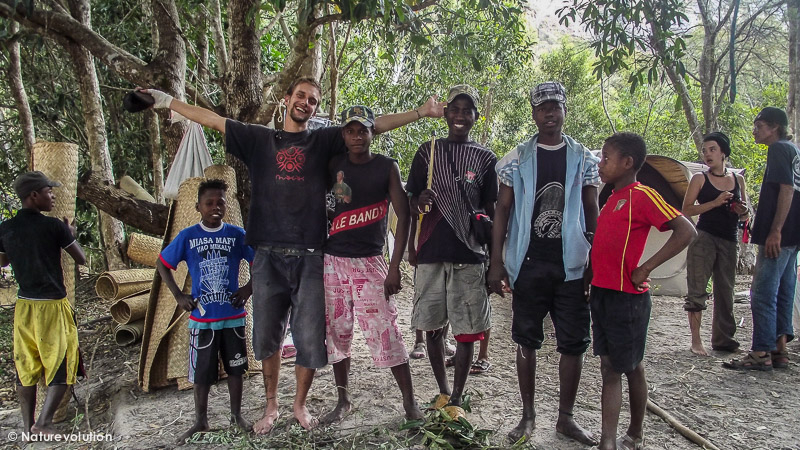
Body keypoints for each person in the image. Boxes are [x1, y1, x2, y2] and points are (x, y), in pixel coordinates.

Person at [144, 78, 443, 432]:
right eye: (300, 96)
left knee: (310, 336)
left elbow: (373, 123)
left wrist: (421, 113)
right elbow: (211, 119)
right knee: (269, 337)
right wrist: (166, 101)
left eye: (313, 100)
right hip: (267, 254)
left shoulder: (322, 141)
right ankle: (271, 406)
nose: (305, 103)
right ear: (286, 99)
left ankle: (300, 406)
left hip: (312, 255)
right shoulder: (258, 139)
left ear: (316, 109)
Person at [489, 81, 598, 445]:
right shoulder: (518, 158)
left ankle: (565, 418)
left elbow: (590, 207)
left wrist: (594, 255)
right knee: (526, 339)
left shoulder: (583, 158)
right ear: (533, 114)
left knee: (573, 342)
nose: (549, 113)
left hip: (571, 266)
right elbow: (502, 208)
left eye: (555, 106)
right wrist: (498, 261)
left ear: (565, 110)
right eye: (542, 108)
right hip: (528, 263)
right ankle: (528, 415)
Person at [591, 133, 695, 450]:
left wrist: (646, 267)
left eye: (606, 157)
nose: (601, 162)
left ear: (627, 163)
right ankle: (615, 437)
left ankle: (623, 437)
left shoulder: (643, 196)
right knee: (612, 365)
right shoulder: (611, 197)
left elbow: (686, 230)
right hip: (602, 293)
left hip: (628, 297)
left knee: (627, 366)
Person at [321, 105, 423, 424]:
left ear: (372, 133)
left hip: (370, 263)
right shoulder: (332, 164)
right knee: (337, 334)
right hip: (333, 261)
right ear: (343, 134)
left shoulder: (386, 167)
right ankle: (343, 400)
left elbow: (404, 215)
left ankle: (409, 404)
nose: (356, 136)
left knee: (386, 331)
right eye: (350, 131)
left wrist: (394, 267)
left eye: (363, 130)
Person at [406, 84, 496, 414]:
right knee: (432, 326)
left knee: (468, 329)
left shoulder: (486, 159)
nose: (460, 115)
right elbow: (409, 199)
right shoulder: (426, 151)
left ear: (475, 116)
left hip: (470, 254)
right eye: (454, 109)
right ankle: (442, 391)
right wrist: (420, 202)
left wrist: (494, 256)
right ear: (445, 113)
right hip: (431, 250)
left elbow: (491, 207)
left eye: (467, 110)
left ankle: (458, 396)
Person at [156, 179, 255, 443]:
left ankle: (236, 416)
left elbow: (260, 260)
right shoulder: (188, 236)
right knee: (202, 373)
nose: (215, 207)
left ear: (226, 205)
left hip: (233, 317)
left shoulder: (236, 235)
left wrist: (248, 288)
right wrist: (179, 296)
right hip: (202, 319)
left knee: (236, 368)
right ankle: (200, 420)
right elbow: (163, 263)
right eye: (209, 203)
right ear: (198, 206)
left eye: (220, 202)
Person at [0, 171, 87, 436]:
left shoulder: (6, 228)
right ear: (34, 196)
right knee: (62, 365)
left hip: (24, 307)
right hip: (51, 306)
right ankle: (44, 422)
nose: (53, 196)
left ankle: (27, 428)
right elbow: (81, 258)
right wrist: (70, 233)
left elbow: (3, 262)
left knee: (26, 367)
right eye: (49, 192)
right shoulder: (54, 227)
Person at [725, 107, 800, 371]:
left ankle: (760, 352)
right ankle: (779, 349)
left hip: (780, 234)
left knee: (763, 293)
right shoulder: (794, 150)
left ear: (774, 127)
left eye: (759, 126)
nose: (755, 131)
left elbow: (787, 190)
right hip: (793, 235)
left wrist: (776, 229)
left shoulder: (779, 149)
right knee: (784, 289)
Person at [682, 132, 749, 356]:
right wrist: (714, 202)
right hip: (704, 236)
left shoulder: (738, 179)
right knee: (697, 288)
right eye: (704, 150)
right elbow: (687, 209)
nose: (707, 154)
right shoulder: (699, 179)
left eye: (712, 149)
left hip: (729, 239)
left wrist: (742, 211)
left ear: (723, 152)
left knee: (726, 290)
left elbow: (745, 214)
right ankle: (696, 341)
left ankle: (724, 340)